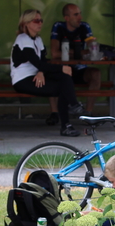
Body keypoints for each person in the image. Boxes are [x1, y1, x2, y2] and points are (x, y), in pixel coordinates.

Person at [10, 9, 84, 137]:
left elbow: (43, 61)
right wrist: (60, 68)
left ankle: (72, 110)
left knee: (64, 78)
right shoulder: (23, 39)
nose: (40, 23)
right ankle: (69, 118)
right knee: (63, 85)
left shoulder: (37, 39)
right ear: (26, 23)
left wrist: (41, 72)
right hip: (23, 80)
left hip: (35, 75)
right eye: (36, 21)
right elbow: (37, 63)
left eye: (41, 20)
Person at [48, 3, 102, 120]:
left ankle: (88, 113)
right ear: (66, 18)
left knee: (96, 73)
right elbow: (54, 53)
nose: (80, 17)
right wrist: (79, 52)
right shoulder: (58, 26)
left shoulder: (84, 26)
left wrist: (92, 47)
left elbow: (91, 49)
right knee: (50, 72)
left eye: (80, 14)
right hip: (63, 69)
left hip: (79, 69)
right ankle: (54, 113)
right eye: (76, 15)